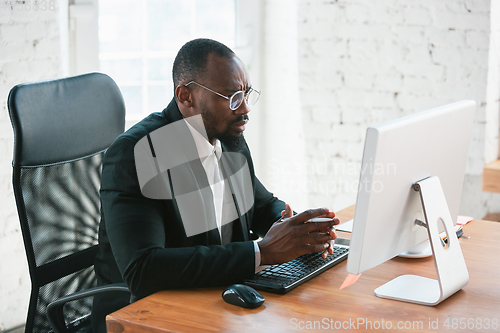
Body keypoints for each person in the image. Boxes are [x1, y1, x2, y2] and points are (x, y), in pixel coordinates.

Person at [91, 38, 339, 332]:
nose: (244, 109)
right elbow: (145, 269)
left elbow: (258, 204)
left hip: (217, 302)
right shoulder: (138, 154)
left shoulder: (227, 135)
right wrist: (263, 252)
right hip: (145, 316)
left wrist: (301, 232)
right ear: (186, 95)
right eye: (231, 97)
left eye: (246, 94)